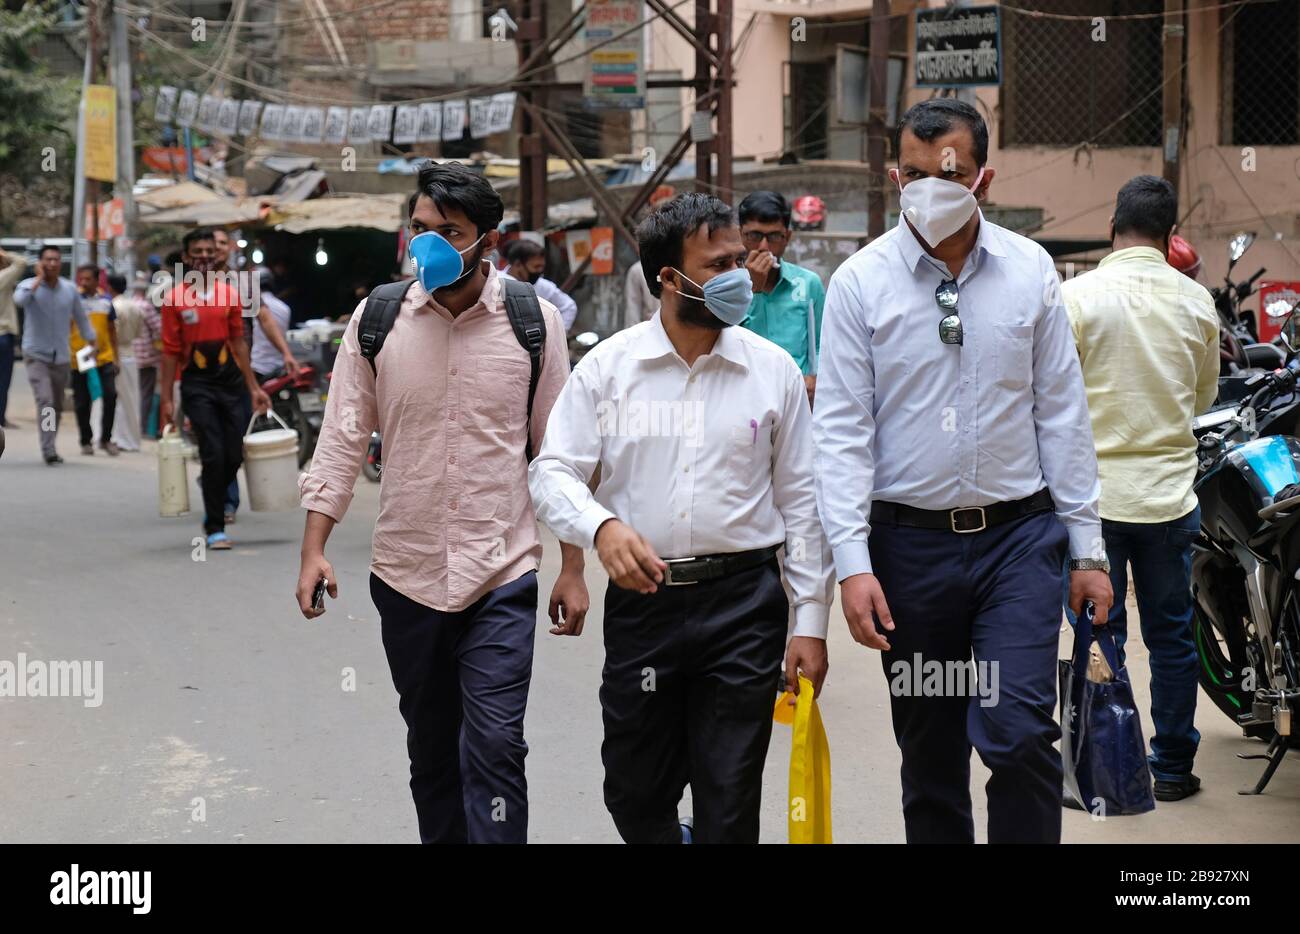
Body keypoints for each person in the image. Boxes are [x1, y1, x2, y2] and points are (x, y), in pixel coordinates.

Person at [813, 99, 1112, 844]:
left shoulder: (1030, 270)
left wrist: (1089, 551)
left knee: (1019, 734)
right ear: (895, 176)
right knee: (931, 752)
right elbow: (842, 432)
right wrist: (851, 564)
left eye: (948, 174)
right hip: (908, 552)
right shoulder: (860, 283)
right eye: (914, 173)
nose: (929, 189)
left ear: (983, 177)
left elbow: (1062, 414)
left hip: (1018, 544)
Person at [529, 192, 834, 844]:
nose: (741, 275)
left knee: (729, 803)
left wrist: (810, 622)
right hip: (646, 606)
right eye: (719, 264)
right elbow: (552, 472)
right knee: (634, 794)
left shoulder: (773, 372)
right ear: (669, 277)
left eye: (739, 259)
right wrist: (601, 528)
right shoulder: (610, 370)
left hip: (744, 608)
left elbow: (804, 504)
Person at [295, 162, 583, 844]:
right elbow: (341, 437)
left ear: (488, 239)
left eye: (448, 232)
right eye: (420, 228)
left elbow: (558, 454)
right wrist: (314, 548)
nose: (429, 245)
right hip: (407, 574)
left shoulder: (534, 324)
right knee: (432, 752)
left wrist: (573, 564)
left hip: (501, 572)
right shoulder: (377, 321)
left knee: (496, 746)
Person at [1061, 175, 1218, 803]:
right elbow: (1203, 398)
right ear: (1170, 235)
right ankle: (1173, 766)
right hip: (1168, 497)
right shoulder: (1196, 301)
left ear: (1111, 229)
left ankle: (1107, 766)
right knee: (1172, 634)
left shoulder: (1075, 297)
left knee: (1100, 633)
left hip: (1091, 504)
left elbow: (1055, 401)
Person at [159, 228, 271, 550]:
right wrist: (166, 399)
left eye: (210, 251)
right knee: (213, 452)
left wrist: (253, 387)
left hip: (232, 383)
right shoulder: (174, 298)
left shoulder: (230, 294)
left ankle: (212, 486)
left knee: (233, 453)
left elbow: (238, 343)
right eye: (198, 252)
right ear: (186, 258)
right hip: (197, 385)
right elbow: (169, 352)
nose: (205, 257)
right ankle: (215, 527)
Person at [212, 227, 298, 523]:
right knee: (213, 441)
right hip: (204, 374)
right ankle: (225, 501)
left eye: (221, 243)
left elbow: (264, 319)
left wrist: (286, 352)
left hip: (240, 372)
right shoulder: (193, 287)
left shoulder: (243, 285)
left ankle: (220, 486)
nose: (216, 248)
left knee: (235, 442)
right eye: (211, 243)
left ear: (230, 247)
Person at [737, 190, 825, 405]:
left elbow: (823, 343)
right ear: (740, 235)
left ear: (787, 237)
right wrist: (751, 289)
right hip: (744, 398)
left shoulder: (808, 283)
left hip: (797, 399)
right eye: (754, 236)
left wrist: (816, 378)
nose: (764, 247)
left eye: (774, 237)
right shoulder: (727, 287)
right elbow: (723, 338)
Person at [14, 245, 96, 464]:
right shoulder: (28, 286)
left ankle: (50, 441)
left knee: (56, 406)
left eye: (56, 259)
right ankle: (48, 448)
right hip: (36, 354)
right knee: (46, 401)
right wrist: (38, 279)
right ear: (40, 262)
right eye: (48, 259)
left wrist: (91, 340)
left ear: (61, 263)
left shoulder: (69, 289)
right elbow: (19, 301)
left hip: (60, 356)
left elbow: (81, 317)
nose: (52, 263)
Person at [70, 264, 120, 456]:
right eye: (81, 279)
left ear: (97, 280)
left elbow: (112, 331)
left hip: (104, 357)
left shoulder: (106, 301)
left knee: (110, 395)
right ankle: (85, 440)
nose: (83, 283)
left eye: (88, 279)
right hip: (80, 357)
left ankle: (106, 439)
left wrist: (116, 358)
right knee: (82, 401)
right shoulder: (73, 300)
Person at [500, 238, 578, 331]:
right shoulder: (496, 282)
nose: (540, 271)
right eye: (536, 267)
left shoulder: (543, 286)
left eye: (542, 267)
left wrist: (558, 333)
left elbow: (569, 306)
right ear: (518, 264)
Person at [107, 274, 142, 452]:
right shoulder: (135, 306)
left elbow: (113, 334)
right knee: (131, 399)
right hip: (131, 354)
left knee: (116, 399)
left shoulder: (113, 306)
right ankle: (130, 438)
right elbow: (138, 332)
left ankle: (119, 438)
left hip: (116, 355)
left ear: (110, 287)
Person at [131, 272, 163, 439]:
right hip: (147, 357)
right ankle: (142, 429)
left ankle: (132, 428)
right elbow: (159, 329)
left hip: (130, 356)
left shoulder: (128, 304)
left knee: (133, 392)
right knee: (145, 393)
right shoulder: (146, 307)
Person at [0, 247, 28, 429]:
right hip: (3, 335)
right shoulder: (3, 278)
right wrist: (3, 253)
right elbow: (21, 262)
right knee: (3, 380)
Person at [623, 260, 658, 330]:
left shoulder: (676, 266)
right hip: (649, 329)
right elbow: (633, 309)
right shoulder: (637, 270)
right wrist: (633, 334)